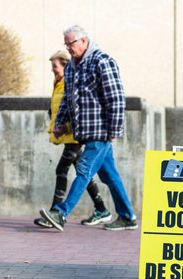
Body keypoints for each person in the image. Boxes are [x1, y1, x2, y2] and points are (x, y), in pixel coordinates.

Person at [40, 25, 137, 232]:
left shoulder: (102, 61)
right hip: (85, 132)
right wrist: (59, 123)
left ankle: (61, 212)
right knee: (109, 176)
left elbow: (116, 98)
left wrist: (114, 129)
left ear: (84, 41)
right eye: (65, 44)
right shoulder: (74, 65)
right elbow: (68, 98)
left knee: (83, 170)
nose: (68, 48)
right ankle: (128, 216)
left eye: (71, 43)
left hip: (101, 131)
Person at [34, 50, 112, 229]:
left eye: (55, 66)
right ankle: (101, 209)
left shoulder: (68, 82)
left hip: (75, 135)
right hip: (68, 134)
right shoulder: (59, 83)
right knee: (83, 173)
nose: (53, 70)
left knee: (62, 169)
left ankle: (56, 212)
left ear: (65, 65)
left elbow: (71, 106)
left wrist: (63, 125)